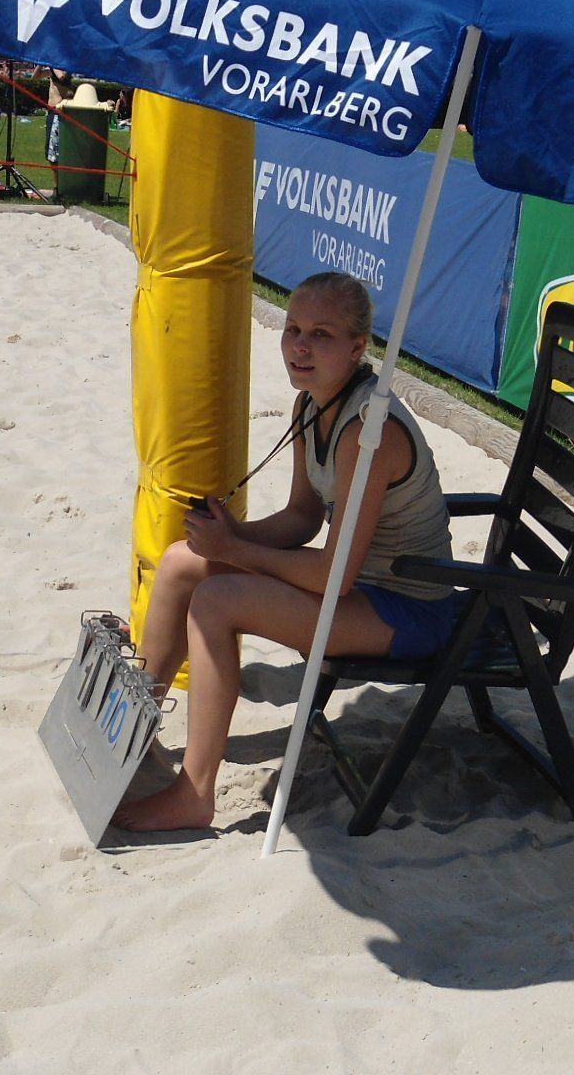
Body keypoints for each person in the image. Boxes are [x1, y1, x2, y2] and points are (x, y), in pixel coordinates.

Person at [111, 272, 457, 832]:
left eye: (321, 334)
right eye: (293, 329)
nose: (300, 346)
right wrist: (233, 535)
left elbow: (334, 575)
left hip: (405, 606)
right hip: (359, 585)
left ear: (357, 348)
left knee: (217, 601)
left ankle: (194, 793)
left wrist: (234, 549)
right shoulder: (311, 404)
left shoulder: (368, 432)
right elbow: (301, 517)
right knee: (179, 563)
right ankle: (125, 730)